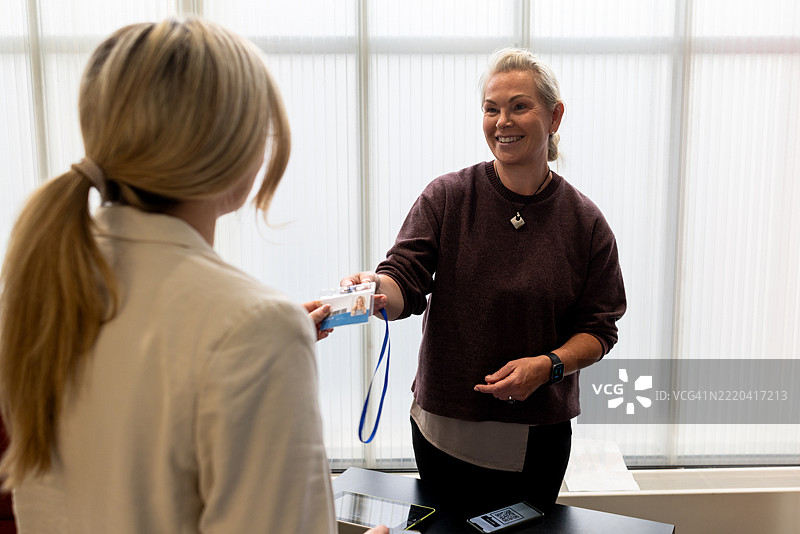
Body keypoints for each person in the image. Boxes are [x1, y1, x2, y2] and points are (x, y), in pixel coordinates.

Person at [0, 18, 386, 534]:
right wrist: (262, 342)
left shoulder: (34, 287)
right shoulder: (252, 328)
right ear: (232, 147)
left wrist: (254, 345)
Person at [342, 48, 626, 516]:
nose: (502, 121)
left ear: (554, 116)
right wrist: (377, 289)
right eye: (491, 108)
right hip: (444, 430)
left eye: (519, 106)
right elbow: (403, 277)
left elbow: (600, 329)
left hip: (537, 438)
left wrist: (549, 365)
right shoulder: (449, 196)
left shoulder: (585, 223)